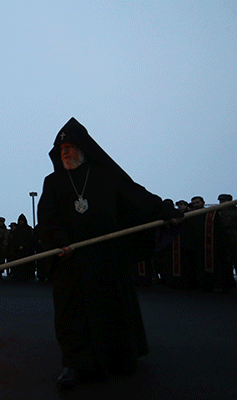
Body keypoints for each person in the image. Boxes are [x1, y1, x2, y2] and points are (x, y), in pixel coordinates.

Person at [37, 117, 182, 388]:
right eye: (61, 148)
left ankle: (120, 357)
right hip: (71, 258)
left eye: (70, 146)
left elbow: (136, 196)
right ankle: (73, 364)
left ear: (83, 148)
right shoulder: (53, 182)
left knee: (112, 307)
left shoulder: (105, 174)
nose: (65, 152)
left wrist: (165, 211)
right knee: (72, 313)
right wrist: (59, 242)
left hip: (107, 256)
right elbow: (47, 218)